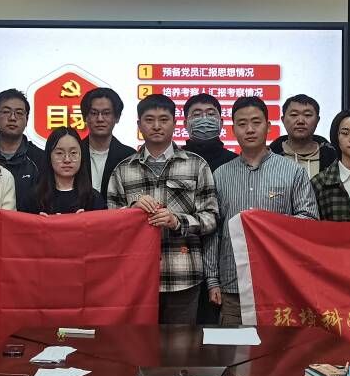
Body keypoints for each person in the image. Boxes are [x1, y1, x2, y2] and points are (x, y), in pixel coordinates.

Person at [107, 94, 219, 325]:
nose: (156, 126)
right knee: (138, 343)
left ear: (175, 123)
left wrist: (177, 221)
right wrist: (132, 212)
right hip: (136, 279)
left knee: (180, 345)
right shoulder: (123, 170)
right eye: (149, 120)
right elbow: (110, 224)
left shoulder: (197, 165)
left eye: (164, 119)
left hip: (183, 277)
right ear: (139, 125)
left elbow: (211, 218)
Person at [207, 96, 319, 325]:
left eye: (256, 122)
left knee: (279, 347)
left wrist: (267, 224)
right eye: (242, 124)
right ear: (233, 129)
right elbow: (213, 231)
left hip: (280, 284)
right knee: (233, 347)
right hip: (233, 286)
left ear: (268, 126)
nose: (249, 129)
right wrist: (212, 280)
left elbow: (309, 221)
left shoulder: (292, 171)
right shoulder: (220, 175)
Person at [27, 127, 106, 214]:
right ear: (49, 156)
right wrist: (39, 221)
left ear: (81, 156)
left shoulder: (94, 199)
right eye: (59, 153)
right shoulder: (34, 198)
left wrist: (85, 220)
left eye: (73, 153)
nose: (67, 160)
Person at [0, 88, 46, 211]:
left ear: (27, 119)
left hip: (28, 222)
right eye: (6, 112)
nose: (12, 118)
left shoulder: (40, 158)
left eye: (19, 113)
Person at [79, 86, 134, 193]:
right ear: (85, 117)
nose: (100, 119)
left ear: (117, 117)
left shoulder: (130, 156)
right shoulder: (73, 153)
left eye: (106, 113)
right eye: (94, 113)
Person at [268, 94, 336, 179]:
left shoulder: (333, 158)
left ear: (317, 120)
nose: (300, 121)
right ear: (283, 120)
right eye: (294, 115)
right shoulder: (269, 157)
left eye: (307, 115)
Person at [182, 93, 237, 171]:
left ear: (221, 123)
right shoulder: (175, 160)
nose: (204, 119)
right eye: (197, 114)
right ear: (185, 124)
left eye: (211, 114)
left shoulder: (234, 161)